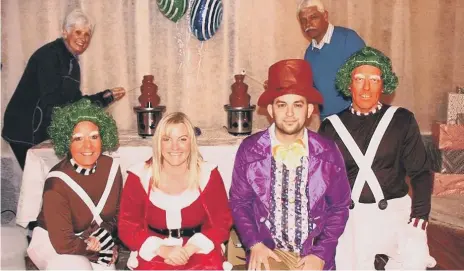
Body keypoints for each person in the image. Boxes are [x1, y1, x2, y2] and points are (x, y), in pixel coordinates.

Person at [319, 46, 437, 270]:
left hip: (395, 215)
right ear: (348, 83)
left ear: (383, 85)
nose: (366, 87)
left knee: (414, 261)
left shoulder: (402, 120)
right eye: (359, 79)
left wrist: (419, 219)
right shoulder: (330, 127)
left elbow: (421, 172)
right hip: (349, 220)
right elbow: (321, 183)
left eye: (374, 80)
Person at [229, 59, 351, 270]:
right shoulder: (250, 150)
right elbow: (239, 203)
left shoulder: (328, 151)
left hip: (311, 254)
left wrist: (320, 254)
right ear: (270, 109)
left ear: (310, 109)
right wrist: (254, 243)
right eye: (282, 104)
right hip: (269, 251)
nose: (290, 113)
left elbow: (339, 207)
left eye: (298, 104)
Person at [2, 8, 126, 169]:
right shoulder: (49, 55)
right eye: (78, 32)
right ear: (65, 32)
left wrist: (106, 96)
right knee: (41, 181)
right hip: (26, 129)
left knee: (49, 181)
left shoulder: (71, 61)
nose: (83, 39)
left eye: (87, 34)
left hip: (39, 127)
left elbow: (75, 102)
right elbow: (52, 103)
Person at [118, 112, 233, 270]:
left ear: (191, 143)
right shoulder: (139, 176)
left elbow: (221, 222)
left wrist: (189, 249)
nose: (175, 147)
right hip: (155, 251)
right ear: (159, 142)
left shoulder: (208, 173)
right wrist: (163, 249)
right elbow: (127, 226)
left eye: (182, 139)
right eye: (167, 139)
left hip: (198, 250)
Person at [26, 99, 123, 270]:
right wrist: (101, 253)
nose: (88, 145)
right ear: (67, 142)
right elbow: (64, 244)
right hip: (53, 242)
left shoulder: (112, 168)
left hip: (91, 240)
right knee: (77, 266)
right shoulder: (56, 182)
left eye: (94, 136)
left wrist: (104, 239)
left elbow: (116, 214)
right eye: (77, 138)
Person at [298, 0, 365, 122]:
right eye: (303, 20)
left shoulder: (348, 39)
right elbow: (312, 92)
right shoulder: (309, 54)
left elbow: (368, 83)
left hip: (357, 122)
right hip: (328, 124)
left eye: (313, 17)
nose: (308, 24)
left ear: (325, 16)